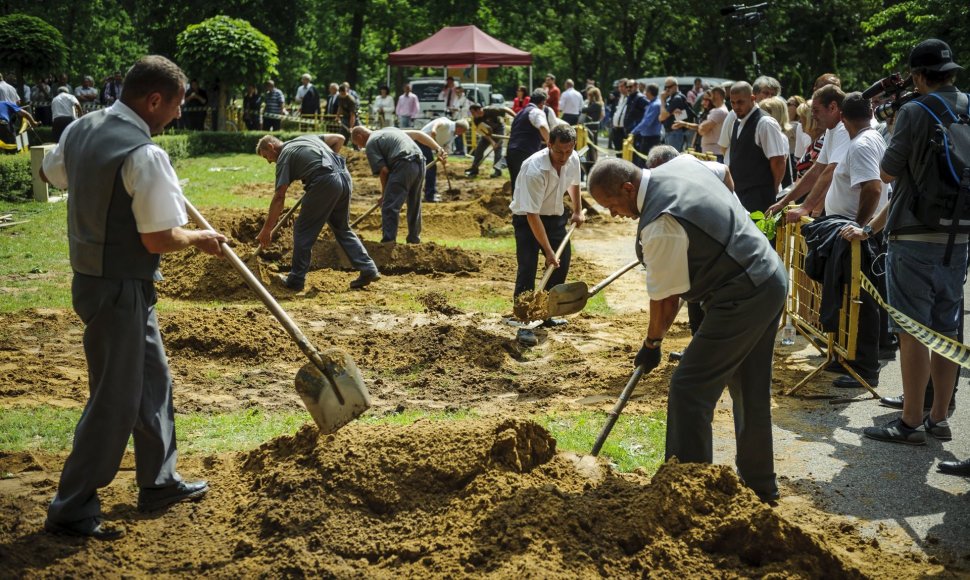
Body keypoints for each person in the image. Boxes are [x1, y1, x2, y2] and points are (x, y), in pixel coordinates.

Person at [39, 55, 225, 540]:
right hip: (118, 285)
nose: (180, 114)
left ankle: (159, 482)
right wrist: (200, 239)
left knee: (152, 382)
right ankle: (73, 507)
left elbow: (52, 176)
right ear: (155, 99)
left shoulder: (80, 129)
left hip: (99, 280)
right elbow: (159, 239)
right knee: (114, 400)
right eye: (178, 104)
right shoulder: (145, 154)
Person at [587, 155, 787, 503]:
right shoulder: (683, 164)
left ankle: (686, 494)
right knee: (750, 389)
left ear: (628, 188)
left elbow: (666, 301)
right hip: (768, 275)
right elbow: (724, 174)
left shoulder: (661, 223)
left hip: (742, 294)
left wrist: (652, 344)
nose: (613, 214)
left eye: (612, 204)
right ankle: (760, 489)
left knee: (689, 387)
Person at [858, 39, 969, 456]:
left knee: (912, 331)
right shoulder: (969, 105)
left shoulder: (914, 111)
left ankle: (909, 421)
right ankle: (939, 417)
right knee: (947, 329)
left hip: (914, 233)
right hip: (959, 234)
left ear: (919, 76)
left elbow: (886, 173)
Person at [255, 134, 380, 291]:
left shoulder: (285, 156)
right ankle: (368, 268)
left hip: (325, 181)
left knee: (302, 230)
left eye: (267, 156)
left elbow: (279, 196)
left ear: (271, 147)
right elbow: (338, 139)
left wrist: (267, 229)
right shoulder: (307, 138)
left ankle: (296, 280)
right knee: (342, 228)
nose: (269, 161)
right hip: (344, 177)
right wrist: (324, 168)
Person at [510, 124, 585, 347]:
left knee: (561, 264)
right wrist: (549, 251)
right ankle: (523, 322)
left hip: (554, 218)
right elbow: (532, 215)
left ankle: (546, 314)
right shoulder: (534, 169)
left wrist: (578, 210)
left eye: (568, 151)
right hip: (527, 219)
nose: (563, 157)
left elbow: (574, 184)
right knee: (528, 267)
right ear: (549, 144)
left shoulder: (573, 159)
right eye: (559, 151)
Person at [767, 84, 848, 218]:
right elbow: (817, 170)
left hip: (852, 216)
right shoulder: (831, 130)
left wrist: (807, 207)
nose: (813, 116)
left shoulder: (843, 129)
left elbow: (830, 171)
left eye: (816, 110)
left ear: (833, 107)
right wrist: (783, 203)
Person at [351, 125, 441, 244]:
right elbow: (418, 134)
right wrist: (438, 148)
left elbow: (384, 171)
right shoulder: (389, 130)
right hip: (420, 162)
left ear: (360, 136)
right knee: (414, 204)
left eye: (357, 143)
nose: (359, 147)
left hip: (403, 163)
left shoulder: (371, 143)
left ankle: (388, 243)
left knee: (389, 206)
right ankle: (414, 240)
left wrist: (384, 195)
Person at [723, 81, 789, 213]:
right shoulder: (737, 122)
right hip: (740, 194)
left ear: (752, 99)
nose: (736, 106)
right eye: (733, 102)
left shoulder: (765, 123)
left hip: (759, 196)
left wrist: (772, 190)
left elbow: (778, 161)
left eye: (740, 102)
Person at [506, 89, 552, 186]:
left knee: (517, 185)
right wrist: (551, 143)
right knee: (528, 185)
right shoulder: (537, 112)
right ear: (542, 103)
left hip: (511, 152)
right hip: (525, 152)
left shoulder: (520, 113)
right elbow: (543, 126)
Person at [418, 117, 467, 202]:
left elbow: (445, 146)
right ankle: (429, 196)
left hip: (427, 145)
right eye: (462, 132)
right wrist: (434, 129)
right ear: (460, 128)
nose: (461, 134)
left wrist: (444, 158)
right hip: (420, 141)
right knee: (431, 169)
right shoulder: (448, 124)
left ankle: (431, 192)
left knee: (430, 168)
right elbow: (438, 122)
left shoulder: (453, 134)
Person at [465, 103, 515, 178]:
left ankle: (497, 171)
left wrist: (517, 117)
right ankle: (474, 169)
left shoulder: (490, 110)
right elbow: (483, 132)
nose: (472, 115)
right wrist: (492, 142)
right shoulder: (476, 120)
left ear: (478, 110)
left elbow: (505, 109)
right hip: (487, 133)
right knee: (479, 149)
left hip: (498, 129)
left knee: (498, 150)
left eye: (473, 112)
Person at [630, 84, 662, 166]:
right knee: (643, 162)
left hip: (651, 139)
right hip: (647, 138)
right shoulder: (651, 103)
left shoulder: (655, 105)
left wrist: (633, 132)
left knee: (645, 163)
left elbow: (646, 122)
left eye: (645, 91)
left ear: (649, 92)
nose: (644, 93)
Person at [659, 77, 691, 152]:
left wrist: (662, 100)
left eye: (669, 87)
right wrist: (668, 113)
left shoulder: (677, 98)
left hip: (675, 133)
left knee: (672, 158)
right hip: (669, 133)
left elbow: (663, 117)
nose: (667, 89)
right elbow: (660, 118)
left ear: (676, 86)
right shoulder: (670, 98)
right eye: (665, 87)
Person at [582, 87, 605, 162]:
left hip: (592, 127)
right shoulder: (596, 104)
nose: (588, 97)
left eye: (589, 96)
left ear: (593, 96)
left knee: (592, 145)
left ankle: (593, 161)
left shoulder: (596, 105)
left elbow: (584, 110)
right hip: (592, 126)